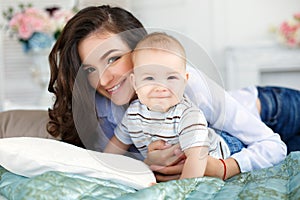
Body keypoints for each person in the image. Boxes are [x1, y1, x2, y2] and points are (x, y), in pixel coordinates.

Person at [47, 5, 299, 181]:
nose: (103, 79)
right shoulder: (102, 107)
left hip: (272, 110)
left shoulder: (188, 84)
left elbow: (270, 144)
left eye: (113, 58)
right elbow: (115, 162)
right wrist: (149, 162)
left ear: (139, 51)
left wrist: (220, 169)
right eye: (90, 68)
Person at [104, 32, 243, 179]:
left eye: (171, 77)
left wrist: (181, 189)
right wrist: (103, 169)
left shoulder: (188, 115)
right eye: (149, 78)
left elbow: (197, 159)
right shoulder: (133, 114)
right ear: (135, 82)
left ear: (184, 81)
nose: (160, 87)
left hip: (224, 146)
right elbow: (114, 148)